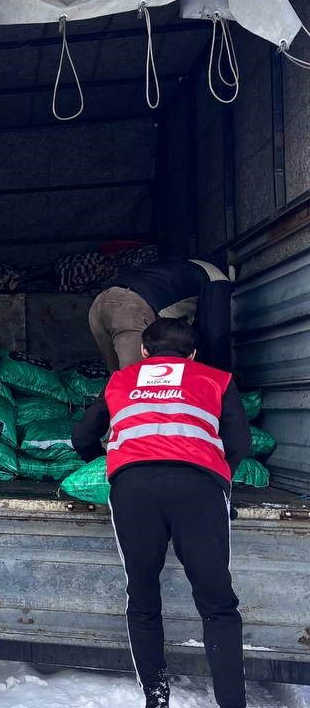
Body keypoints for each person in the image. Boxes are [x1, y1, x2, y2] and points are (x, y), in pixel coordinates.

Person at [73, 318, 251, 708]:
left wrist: (109, 464)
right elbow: (240, 443)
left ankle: (157, 699)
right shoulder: (216, 379)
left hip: (134, 489)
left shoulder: (121, 380)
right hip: (200, 488)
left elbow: (82, 437)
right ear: (192, 354)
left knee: (142, 596)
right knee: (218, 603)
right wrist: (220, 479)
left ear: (144, 351)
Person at [88, 258, 233, 371]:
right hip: (129, 308)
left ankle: (105, 409)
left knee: (118, 379)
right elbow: (216, 335)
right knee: (135, 381)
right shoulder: (217, 280)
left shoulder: (182, 267)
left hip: (99, 304)